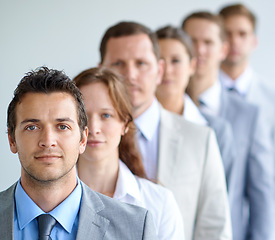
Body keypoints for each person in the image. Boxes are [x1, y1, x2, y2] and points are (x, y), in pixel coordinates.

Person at [100, 21, 232, 240]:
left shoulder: (200, 139)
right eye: (118, 63)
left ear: (159, 70)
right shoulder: (81, 138)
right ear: (101, 70)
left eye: (141, 63)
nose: (130, 75)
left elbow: (215, 227)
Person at [1, 66, 157, 239]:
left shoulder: (135, 228)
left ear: (83, 139)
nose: (48, 140)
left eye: (62, 127)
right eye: (32, 127)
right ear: (11, 140)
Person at [182, 11, 274, 240]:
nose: (200, 50)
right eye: (192, 41)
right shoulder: (162, 107)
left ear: (223, 49)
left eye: (208, 42)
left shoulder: (250, 115)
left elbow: (262, 193)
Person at [74, 67, 185, 240]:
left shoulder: (159, 203)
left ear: (125, 123)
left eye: (106, 115)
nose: (94, 128)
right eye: (83, 117)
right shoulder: (48, 199)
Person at [155, 25, 237, 193]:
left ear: (192, 66)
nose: (167, 70)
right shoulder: (128, 125)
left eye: (176, 61)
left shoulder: (216, 130)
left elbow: (220, 197)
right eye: (159, 61)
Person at [219, 3, 275, 153]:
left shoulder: (271, 99)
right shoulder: (198, 93)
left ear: (254, 41)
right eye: (227, 33)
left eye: (242, 34)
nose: (234, 41)